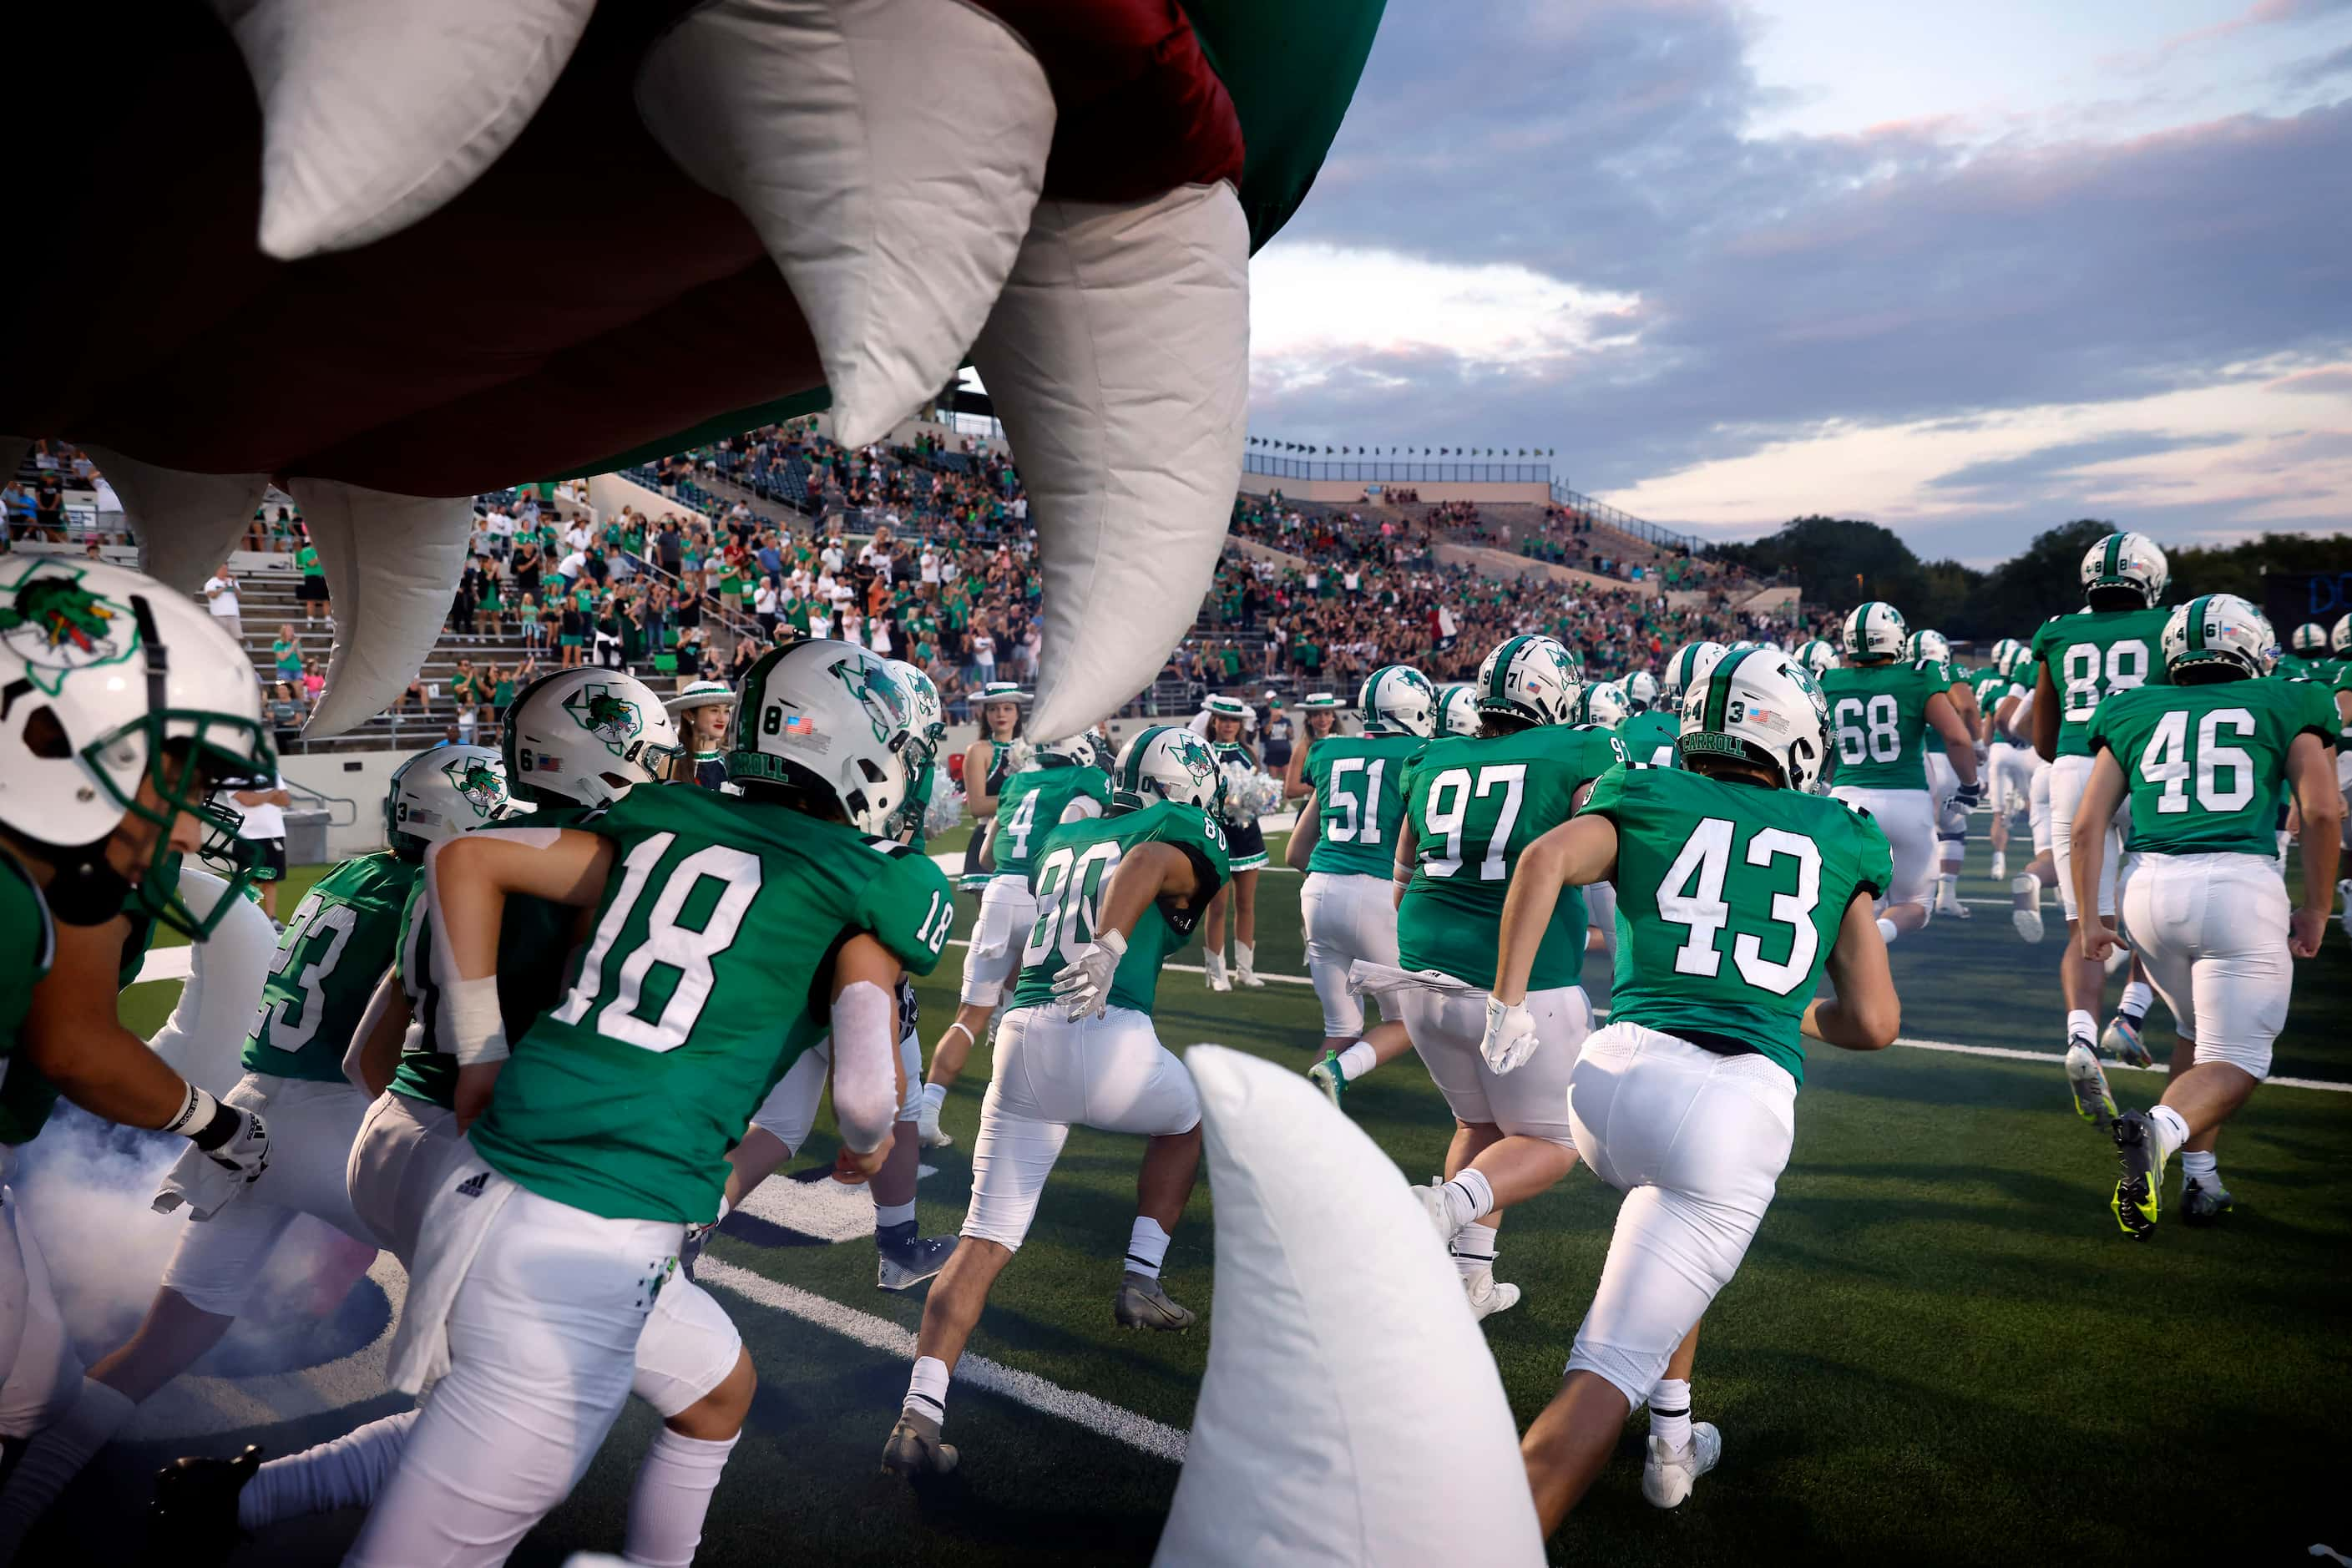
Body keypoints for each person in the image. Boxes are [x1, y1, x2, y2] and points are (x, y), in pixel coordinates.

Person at [339, 641, 949, 1563]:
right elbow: (866, 1098)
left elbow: (464, 858)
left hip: (487, 1184)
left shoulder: (660, 817)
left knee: (688, 1398)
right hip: (596, 1225)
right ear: (864, 754)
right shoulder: (870, 882)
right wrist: (864, 1145)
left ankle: (248, 1497)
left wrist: (482, 1050)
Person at [1495, 647, 1896, 1526]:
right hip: (1724, 1104)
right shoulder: (1840, 829)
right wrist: (1792, 1017)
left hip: (1609, 1081)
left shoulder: (1643, 790)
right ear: (1789, 733)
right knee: (1598, 1382)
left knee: (1668, 1244)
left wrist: (1509, 1004)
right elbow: (1872, 1021)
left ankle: (1672, 1442)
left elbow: (1542, 864)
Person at [76, 751, 509, 1445]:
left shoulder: (348, 874)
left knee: (154, 1351)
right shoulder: (437, 891)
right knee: (494, 1325)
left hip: (248, 1118)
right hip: (338, 1126)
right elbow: (397, 1048)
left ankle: (25, 1496)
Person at [0, 558, 275, 1554]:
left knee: (32, 1391)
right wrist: (216, 1121)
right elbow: (75, 1048)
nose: (183, 811)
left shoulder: (35, 876)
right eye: (174, 768)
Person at [883, 726, 1229, 1479]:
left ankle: (918, 1414)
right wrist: (1108, 945)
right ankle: (1140, 1278)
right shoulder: (1172, 828)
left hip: (1023, 1037)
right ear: (1187, 783)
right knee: (1188, 1117)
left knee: (983, 1238)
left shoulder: (1067, 835)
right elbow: (1148, 861)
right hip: (1104, 1029)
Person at [2070, 594, 2340, 1233]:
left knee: (2194, 1035)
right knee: (2240, 1058)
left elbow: (2088, 825)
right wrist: (2317, 908)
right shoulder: (2288, 697)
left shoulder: (2130, 706)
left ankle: (2201, 1181)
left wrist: (2090, 918)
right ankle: (2159, 1133)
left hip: (2147, 893)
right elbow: (2324, 813)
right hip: (2239, 885)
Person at [1376, 636, 1621, 1320]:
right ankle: (1441, 1206)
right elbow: (1602, 847)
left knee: (1478, 1123)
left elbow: (1401, 881)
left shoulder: (1430, 757)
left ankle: (1468, 1284)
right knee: (1551, 1142)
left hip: (1423, 976)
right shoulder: (1579, 749)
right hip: (1521, 985)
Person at [716, 661, 964, 1291]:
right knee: (899, 1111)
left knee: (777, 1125)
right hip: (852, 976)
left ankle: (685, 1224)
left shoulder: (733, 814)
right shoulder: (883, 864)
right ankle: (899, 1246)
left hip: (781, 974)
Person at [2028, 532, 2172, 1125]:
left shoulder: (2057, 631)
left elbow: (2042, 732)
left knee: (2086, 925)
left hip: (2072, 768)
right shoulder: (2171, 626)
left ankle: (2080, 1038)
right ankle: (2131, 1015)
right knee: (2158, 903)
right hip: (2144, 764)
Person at [919, 731, 1110, 1148]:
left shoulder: (1017, 780)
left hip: (1000, 893)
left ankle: (927, 1109)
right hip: (1046, 895)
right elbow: (1071, 829)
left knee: (970, 1014)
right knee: (1042, 1014)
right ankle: (1034, 1115)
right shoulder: (1086, 779)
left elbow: (987, 856)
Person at [1293, 666, 1436, 1106]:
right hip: (1379, 894)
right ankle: (1339, 1071)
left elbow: (1296, 853)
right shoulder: (1424, 756)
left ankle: (1297, 1114)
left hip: (1318, 892)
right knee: (1411, 1019)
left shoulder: (1331, 753)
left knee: (1340, 1027)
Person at [1818, 602, 1979, 943]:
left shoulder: (1827, 681)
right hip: (1906, 802)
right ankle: (1878, 936)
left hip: (1847, 803)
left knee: (1852, 904)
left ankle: (1858, 960)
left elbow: (1819, 748)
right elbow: (1957, 738)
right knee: (1915, 906)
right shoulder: (1918, 675)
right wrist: (1970, 784)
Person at [1905, 629, 1981, 918]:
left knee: (1912, 834)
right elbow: (1966, 708)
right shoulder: (1949, 672)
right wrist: (1977, 745)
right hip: (1946, 761)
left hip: (1911, 764)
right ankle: (1944, 895)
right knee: (1953, 829)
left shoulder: (1901, 677)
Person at [1196, 694, 1270, 989]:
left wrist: (1261, 800)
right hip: (1218, 837)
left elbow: (1261, 792)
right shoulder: (1203, 754)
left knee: (1246, 904)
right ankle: (1216, 973)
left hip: (1248, 836)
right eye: (1223, 719)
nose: (1228, 724)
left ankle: (1245, 970)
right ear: (1214, 721)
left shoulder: (1249, 754)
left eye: (1233, 720)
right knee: (1217, 907)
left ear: (1240, 724)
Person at [227, 767, 294, 923]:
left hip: (273, 834)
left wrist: (258, 796)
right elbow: (247, 800)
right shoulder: (231, 775)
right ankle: (247, 920)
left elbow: (285, 799)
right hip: (246, 835)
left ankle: (271, 919)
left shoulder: (271, 771)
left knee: (271, 878)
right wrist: (271, 793)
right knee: (247, 881)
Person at [665, 678, 736, 788]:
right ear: (689, 715)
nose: (722, 719)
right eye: (714, 710)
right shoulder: (670, 765)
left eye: (726, 711)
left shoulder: (734, 767)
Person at [201, 562, 244, 649]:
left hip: (233, 615)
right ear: (217, 570)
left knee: (235, 642)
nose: (225, 571)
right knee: (220, 641)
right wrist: (223, 588)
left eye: (226, 569)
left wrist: (234, 584)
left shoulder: (233, 582)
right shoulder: (211, 582)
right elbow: (212, 595)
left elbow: (239, 596)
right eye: (222, 569)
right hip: (218, 616)